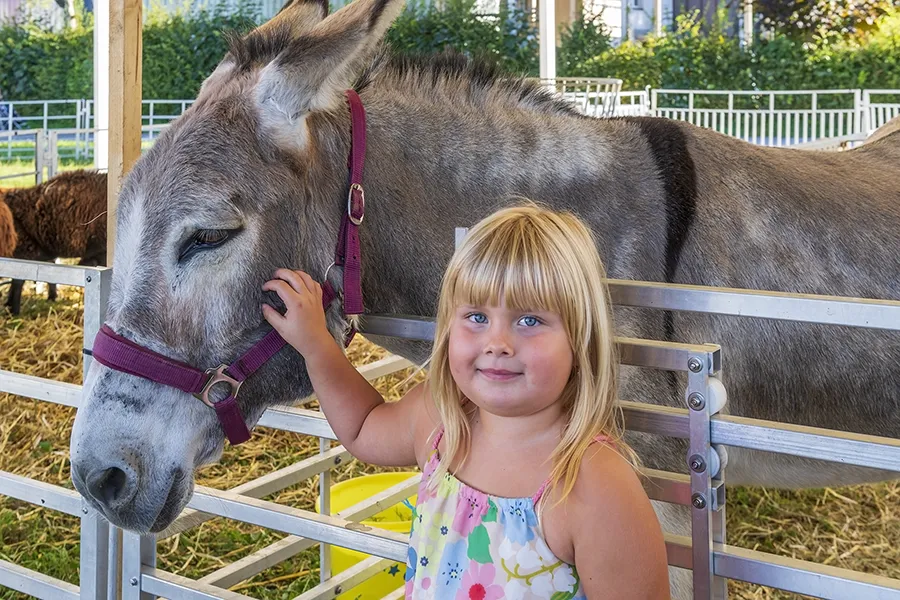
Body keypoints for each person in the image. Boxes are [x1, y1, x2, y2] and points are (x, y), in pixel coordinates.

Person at [262, 203, 671, 599]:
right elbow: (365, 425)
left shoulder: (594, 487)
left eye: (530, 320)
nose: (497, 344)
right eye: (476, 317)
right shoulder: (440, 419)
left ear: (579, 340)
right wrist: (317, 345)